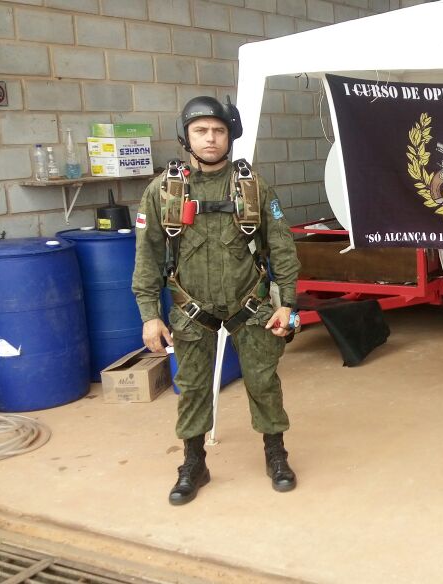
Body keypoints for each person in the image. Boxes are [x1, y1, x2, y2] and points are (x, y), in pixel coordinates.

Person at [132, 96, 301, 505]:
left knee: (263, 381)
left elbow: (282, 247)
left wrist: (287, 302)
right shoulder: (163, 191)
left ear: (230, 135)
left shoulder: (254, 187)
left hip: (251, 304)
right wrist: (150, 314)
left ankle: (276, 453)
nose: (210, 138)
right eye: (201, 131)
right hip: (191, 309)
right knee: (192, 387)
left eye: (218, 131)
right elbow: (147, 256)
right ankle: (194, 463)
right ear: (186, 136)